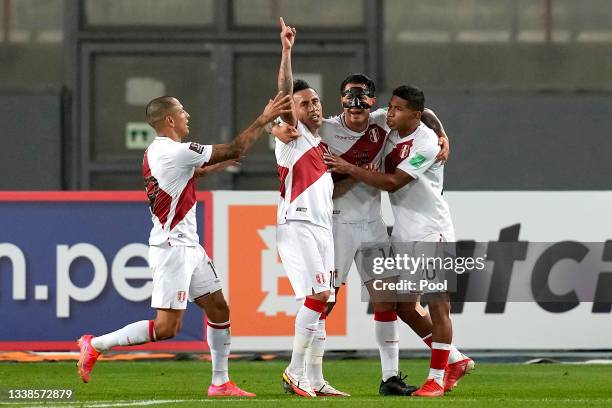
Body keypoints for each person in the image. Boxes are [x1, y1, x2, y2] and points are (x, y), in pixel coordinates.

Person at [76, 92, 292, 397]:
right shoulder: (174, 151)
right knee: (167, 328)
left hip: (189, 245)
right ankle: (95, 345)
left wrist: (217, 165)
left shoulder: (160, 151)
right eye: (181, 110)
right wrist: (264, 118)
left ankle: (220, 383)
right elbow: (235, 147)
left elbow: (194, 172)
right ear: (169, 120)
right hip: (172, 248)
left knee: (218, 309)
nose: (186, 114)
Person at [324, 85, 474, 397]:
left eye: (397, 109)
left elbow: (393, 183)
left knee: (438, 306)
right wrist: (444, 129)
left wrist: (348, 168)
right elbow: (430, 113)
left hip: (432, 231)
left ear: (413, 116)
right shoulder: (390, 128)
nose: (389, 113)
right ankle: (455, 360)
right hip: (405, 234)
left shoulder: (426, 144)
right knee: (405, 308)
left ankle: (436, 378)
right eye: (389, 107)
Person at [269, 18, 348, 398]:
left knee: (324, 301)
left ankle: (315, 377)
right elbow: (284, 91)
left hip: (321, 228)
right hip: (297, 225)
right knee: (317, 298)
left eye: (316, 101)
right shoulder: (291, 135)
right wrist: (286, 50)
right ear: (292, 110)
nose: (313, 107)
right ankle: (293, 371)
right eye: (304, 103)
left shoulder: (318, 144)